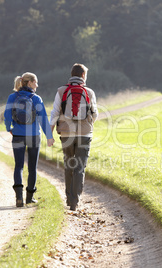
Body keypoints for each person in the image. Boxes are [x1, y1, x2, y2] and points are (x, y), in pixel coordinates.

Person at [50, 63, 98, 211]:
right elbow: (95, 113)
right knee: (80, 167)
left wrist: (49, 134)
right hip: (84, 134)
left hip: (66, 133)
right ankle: (75, 202)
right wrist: (89, 123)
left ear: (72, 75)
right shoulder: (89, 92)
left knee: (69, 165)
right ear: (83, 75)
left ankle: (68, 197)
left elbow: (55, 113)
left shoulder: (61, 91)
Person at [4, 72, 55, 207]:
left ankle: (18, 197)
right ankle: (29, 197)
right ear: (30, 83)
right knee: (32, 167)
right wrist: (49, 137)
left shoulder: (12, 97)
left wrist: (8, 127)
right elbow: (43, 119)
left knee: (19, 166)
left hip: (18, 135)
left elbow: (7, 115)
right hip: (33, 136)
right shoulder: (36, 98)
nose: (37, 85)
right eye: (36, 82)